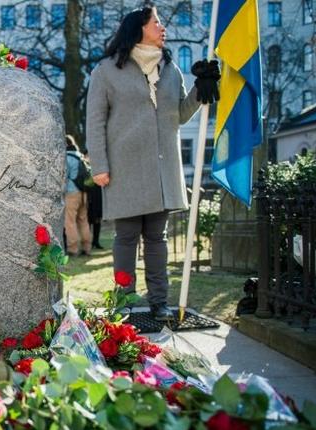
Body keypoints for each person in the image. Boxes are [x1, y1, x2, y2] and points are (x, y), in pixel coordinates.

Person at [85, 6, 219, 320]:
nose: (162, 27)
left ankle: (159, 302)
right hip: (125, 168)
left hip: (162, 170)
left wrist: (202, 87)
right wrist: (99, 166)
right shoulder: (106, 70)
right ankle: (124, 301)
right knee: (127, 236)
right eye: (156, 22)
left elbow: (181, 114)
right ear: (139, 27)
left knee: (157, 238)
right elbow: (95, 121)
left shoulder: (171, 69)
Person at [64, 135, 92, 257]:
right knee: (83, 220)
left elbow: (64, 177)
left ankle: (73, 249)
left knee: (70, 221)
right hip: (84, 192)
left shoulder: (66, 158)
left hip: (71, 192)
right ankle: (87, 248)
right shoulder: (80, 155)